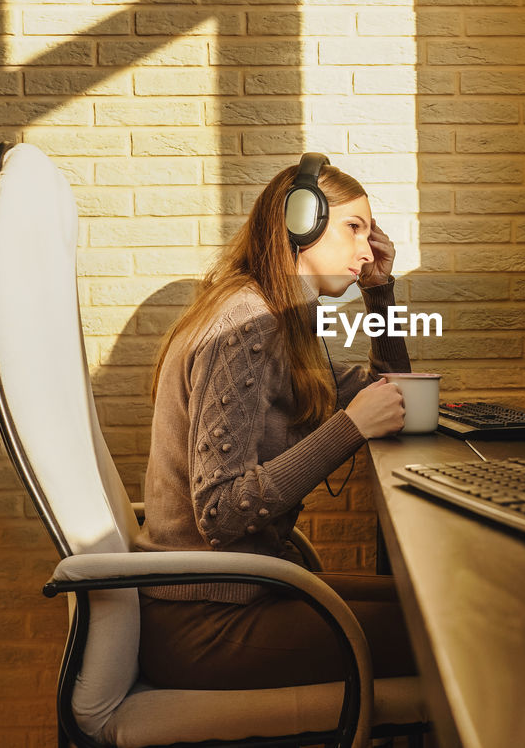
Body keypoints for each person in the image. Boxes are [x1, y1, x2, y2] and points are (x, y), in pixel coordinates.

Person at [133, 156, 417, 690]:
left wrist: (380, 292)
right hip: (207, 623)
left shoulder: (280, 318)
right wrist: (350, 427)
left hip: (247, 594)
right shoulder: (247, 323)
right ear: (299, 223)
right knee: (445, 628)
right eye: (353, 228)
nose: (367, 247)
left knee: (433, 600)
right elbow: (219, 511)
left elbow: (392, 391)